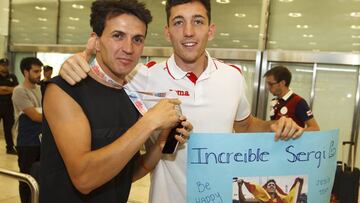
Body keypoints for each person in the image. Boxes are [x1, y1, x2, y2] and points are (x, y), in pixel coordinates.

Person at [59, 0, 304, 202]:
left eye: (197, 21)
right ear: (167, 32)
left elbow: (245, 125)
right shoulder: (141, 76)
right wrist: (76, 61)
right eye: (178, 22)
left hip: (221, 196)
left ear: (211, 29)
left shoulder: (232, 76)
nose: (188, 32)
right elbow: (104, 70)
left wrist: (276, 126)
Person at [39, 0, 192, 203]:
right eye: (118, 36)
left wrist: (160, 143)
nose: (128, 48)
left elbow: (127, 174)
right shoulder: (64, 90)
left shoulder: (129, 96)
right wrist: (149, 123)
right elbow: (84, 179)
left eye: (137, 39)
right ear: (95, 41)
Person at [12, 57, 43, 203]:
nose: (39, 74)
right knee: (26, 178)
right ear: (26, 72)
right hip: (26, 142)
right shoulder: (19, 91)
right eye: (36, 71)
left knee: (40, 176)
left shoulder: (40, 89)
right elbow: (35, 116)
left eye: (40, 71)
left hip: (41, 140)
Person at [264, 66, 320, 131]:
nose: (268, 87)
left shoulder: (299, 102)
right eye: (267, 84)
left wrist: (294, 132)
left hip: (292, 140)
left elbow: (315, 128)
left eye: (271, 84)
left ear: (282, 83)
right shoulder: (275, 101)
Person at [0, 58, 18, 155]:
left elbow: (16, 89)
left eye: (6, 65)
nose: (5, 67)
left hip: (8, 107)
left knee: (8, 129)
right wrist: (9, 89)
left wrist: (4, 88)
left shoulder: (12, 76)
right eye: (3, 65)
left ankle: (10, 148)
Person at [236, 178, 304, 203]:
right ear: (266, 188)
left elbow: (294, 199)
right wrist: (240, 187)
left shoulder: (282, 199)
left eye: (273, 185)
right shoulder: (261, 200)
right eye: (269, 185)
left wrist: (299, 185)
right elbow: (243, 201)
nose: (271, 185)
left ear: (275, 188)